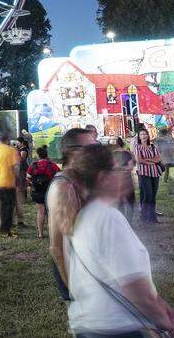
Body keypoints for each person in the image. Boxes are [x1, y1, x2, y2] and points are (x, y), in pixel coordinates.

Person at [60, 145, 174, 338]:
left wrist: (159, 304)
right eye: (118, 171)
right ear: (102, 178)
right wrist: (166, 321)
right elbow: (134, 287)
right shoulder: (108, 218)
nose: (126, 176)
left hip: (93, 324)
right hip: (114, 329)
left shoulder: (84, 214)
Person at [48, 127, 97, 302]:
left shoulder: (82, 180)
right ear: (70, 152)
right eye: (90, 149)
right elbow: (57, 247)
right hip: (77, 278)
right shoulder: (63, 187)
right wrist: (73, 288)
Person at [0, 133, 20, 237]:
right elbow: (15, 168)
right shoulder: (11, 150)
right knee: (9, 206)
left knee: (3, 206)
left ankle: (5, 228)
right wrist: (18, 178)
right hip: (8, 182)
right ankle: (5, 230)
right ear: (8, 139)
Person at [26, 146, 59, 239]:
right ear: (46, 154)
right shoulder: (52, 165)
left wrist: (31, 185)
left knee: (40, 211)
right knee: (51, 212)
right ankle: (52, 232)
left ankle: (40, 233)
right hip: (50, 191)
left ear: (38, 155)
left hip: (37, 192)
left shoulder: (33, 165)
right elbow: (58, 177)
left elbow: (28, 178)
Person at [133, 128, 164, 223]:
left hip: (155, 173)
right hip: (144, 173)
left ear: (148, 135)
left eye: (145, 134)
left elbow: (158, 158)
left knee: (153, 195)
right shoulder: (137, 147)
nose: (144, 136)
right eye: (141, 134)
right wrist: (152, 161)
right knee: (148, 195)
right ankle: (144, 216)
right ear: (139, 136)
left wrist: (148, 161)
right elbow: (139, 160)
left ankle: (152, 217)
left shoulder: (153, 146)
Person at [111, 137, 137, 220]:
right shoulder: (127, 153)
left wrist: (117, 168)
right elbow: (131, 166)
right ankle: (129, 221)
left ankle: (121, 220)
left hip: (116, 180)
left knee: (119, 202)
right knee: (131, 202)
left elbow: (110, 167)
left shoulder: (111, 154)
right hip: (126, 180)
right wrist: (124, 169)